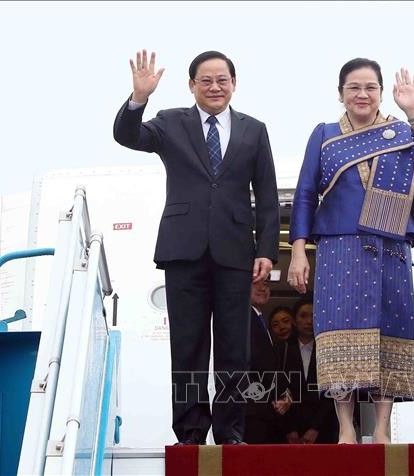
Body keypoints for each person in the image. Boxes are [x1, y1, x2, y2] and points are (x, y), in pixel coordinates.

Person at [113, 50, 280, 445]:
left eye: (222, 79)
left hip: (236, 252)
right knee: (187, 346)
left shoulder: (254, 130)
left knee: (233, 349)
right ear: (192, 85)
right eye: (205, 80)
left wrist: (267, 251)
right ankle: (190, 431)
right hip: (183, 250)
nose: (215, 87)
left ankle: (230, 432)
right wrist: (139, 99)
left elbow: (268, 197)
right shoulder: (171, 122)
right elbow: (127, 135)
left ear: (234, 84)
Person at [287, 58, 414, 444]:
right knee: (340, 330)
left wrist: (413, 111)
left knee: (389, 328)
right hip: (339, 243)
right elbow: (306, 193)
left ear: (381, 91)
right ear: (340, 93)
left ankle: (382, 429)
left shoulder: (400, 131)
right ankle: (345, 427)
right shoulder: (324, 134)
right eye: (354, 87)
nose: (362, 94)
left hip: (389, 243)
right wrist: (297, 250)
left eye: (370, 87)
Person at [280, 298, 338, 444]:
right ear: (294, 320)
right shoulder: (282, 349)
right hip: (288, 431)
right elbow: (278, 390)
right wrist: (289, 429)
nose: (309, 321)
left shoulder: (329, 350)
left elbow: (333, 391)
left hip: (323, 428)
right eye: (303, 316)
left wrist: (315, 428)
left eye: (313, 316)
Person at [244, 279, 290, 444]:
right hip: (252, 410)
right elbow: (255, 362)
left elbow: (269, 365)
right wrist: (278, 393)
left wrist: (284, 394)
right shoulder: (242, 318)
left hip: (266, 412)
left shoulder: (258, 318)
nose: (263, 288)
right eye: (256, 283)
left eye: (266, 284)